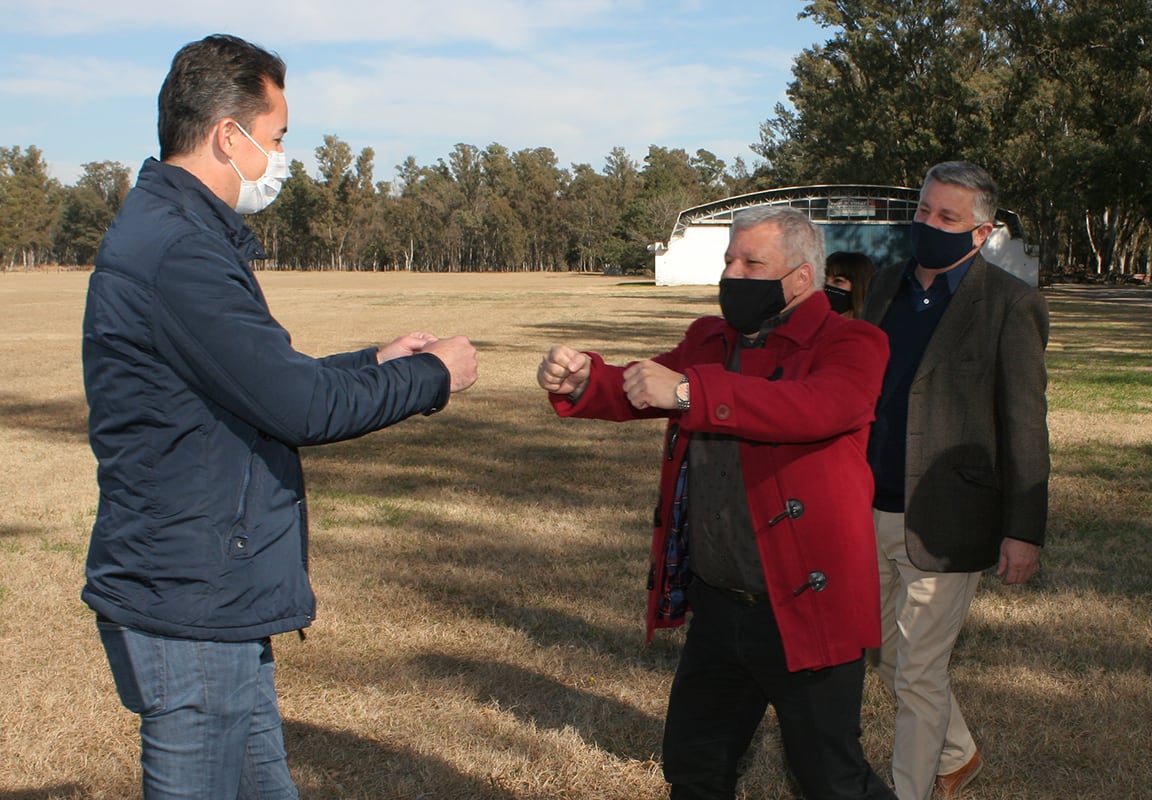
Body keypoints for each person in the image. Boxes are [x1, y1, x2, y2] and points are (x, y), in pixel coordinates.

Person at [81, 34, 477, 799]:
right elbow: (296, 407)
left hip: (208, 590)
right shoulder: (180, 251)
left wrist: (375, 363)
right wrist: (431, 376)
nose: (282, 156)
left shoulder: (176, 233)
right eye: (278, 136)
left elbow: (252, 384)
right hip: (191, 597)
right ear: (229, 135)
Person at [537, 206, 897, 800]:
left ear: (801, 279)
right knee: (695, 768)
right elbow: (643, 389)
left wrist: (688, 391)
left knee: (830, 777)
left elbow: (814, 407)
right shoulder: (709, 340)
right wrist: (585, 381)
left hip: (805, 603)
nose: (733, 273)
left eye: (752, 262)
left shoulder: (854, 342)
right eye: (730, 259)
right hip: (719, 601)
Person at [862, 162, 1049, 800]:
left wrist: (1023, 530)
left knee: (918, 671)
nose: (929, 226)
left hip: (948, 515)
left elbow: (1025, 424)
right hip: (868, 502)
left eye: (947, 218)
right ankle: (961, 751)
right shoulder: (884, 285)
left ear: (981, 232)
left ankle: (911, 789)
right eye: (923, 212)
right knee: (884, 652)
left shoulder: (1010, 303)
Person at [825, 250, 876, 319]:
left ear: (858, 287)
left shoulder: (866, 329)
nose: (826, 285)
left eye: (838, 280)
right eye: (824, 279)